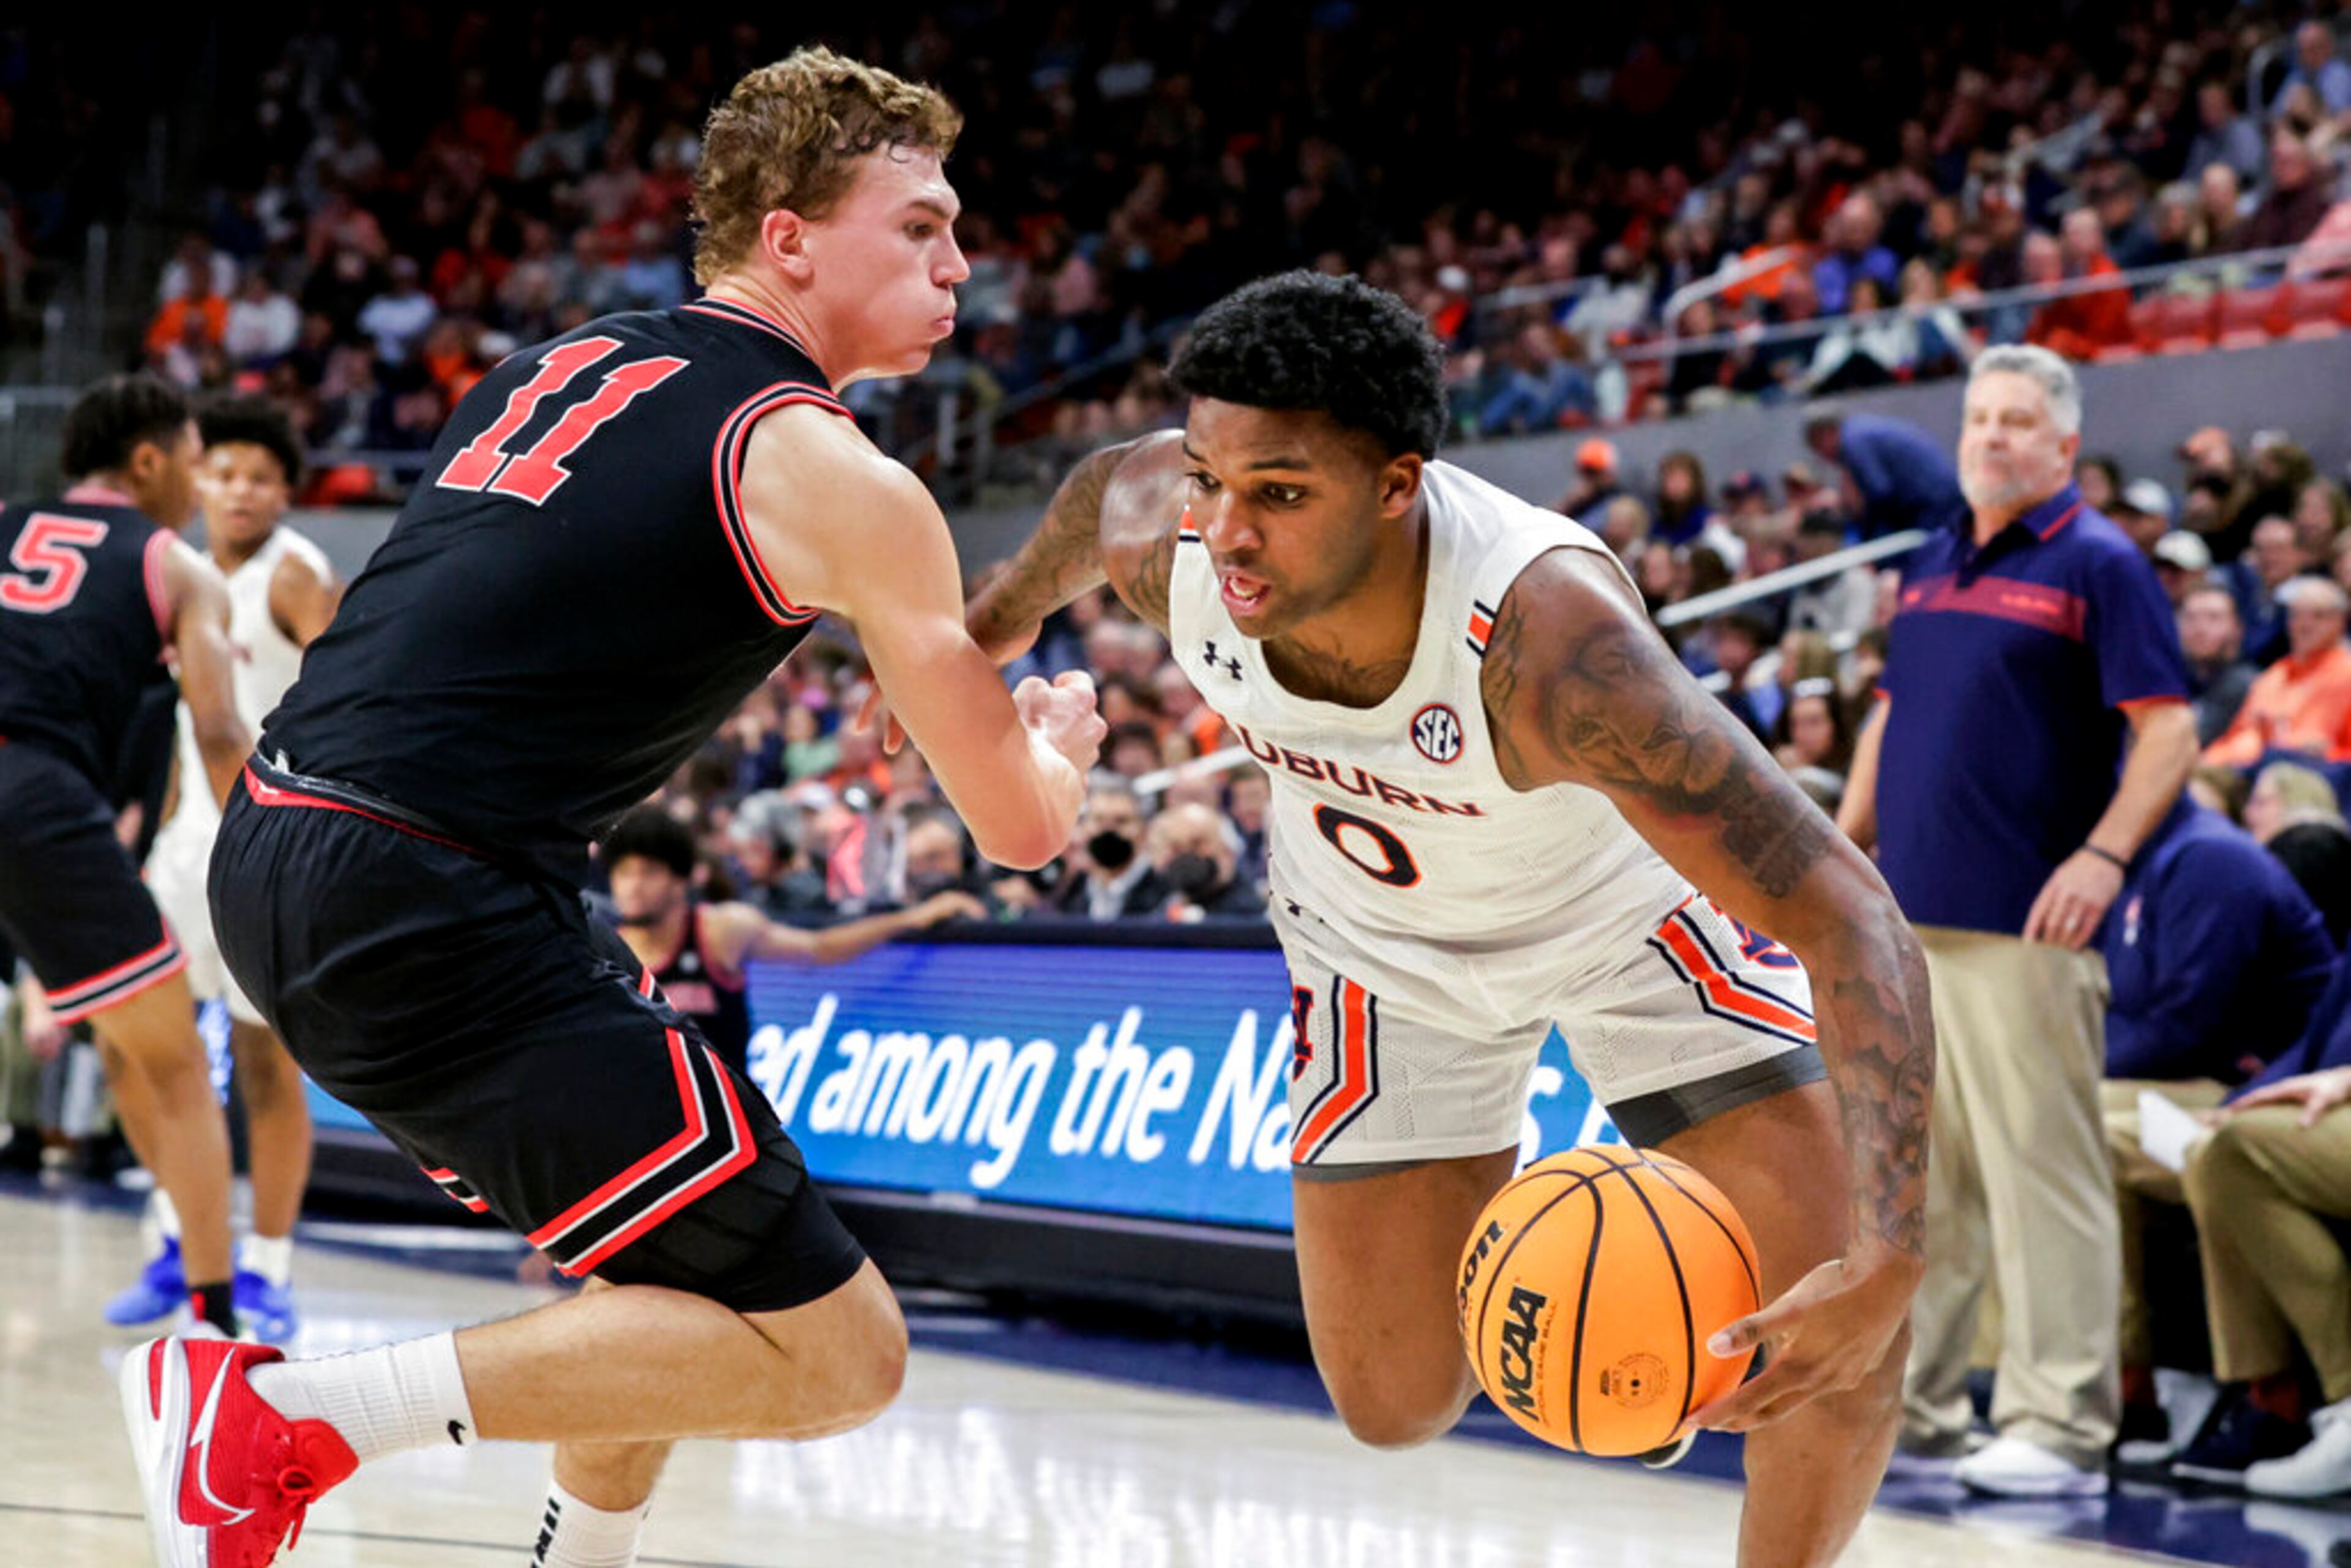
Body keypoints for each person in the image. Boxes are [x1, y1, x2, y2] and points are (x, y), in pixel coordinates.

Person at [124, 50, 1104, 1568]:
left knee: (671, 1270)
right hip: (426, 888)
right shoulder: (828, 465)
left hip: (297, 844)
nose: (958, 263)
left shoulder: (567, 359)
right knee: (842, 1350)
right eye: (920, 225)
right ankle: (276, 1415)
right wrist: (1060, 750)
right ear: (790, 238)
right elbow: (1022, 830)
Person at [963, 271, 1935, 1567]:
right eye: (1209, 479)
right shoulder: (1174, 539)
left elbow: (1857, 920)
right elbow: (1096, 500)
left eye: (1279, 494)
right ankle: (1608, 1257)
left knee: (1841, 1337)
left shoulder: (1551, 641)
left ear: (1396, 486)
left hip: (1624, 935)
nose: (1228, 530)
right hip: (1375, 954)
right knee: (1395, 1400)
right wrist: (991, 624)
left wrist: (1894, 1253)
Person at [1840, 345, 2198, 1496]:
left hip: (2029, 926)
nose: (1992, 435)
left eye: (2017, 421)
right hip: (1912, 919)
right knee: (1926, 1186)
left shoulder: (2100, 562)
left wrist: (2103, 855)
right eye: (1979, 418)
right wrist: (1842, 845)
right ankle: (1924, 1407)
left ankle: (2061, 1422)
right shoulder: (1932, 560)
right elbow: (1891, 713)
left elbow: (2169, 730)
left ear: (2065, 447)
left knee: (2045, 1176)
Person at [0, 374, 251, 1338]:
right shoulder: (177, 567)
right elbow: (218, 730)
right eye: (192, 461)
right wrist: (266, 842)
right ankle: (217, 1320)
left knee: (119, 1036)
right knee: (177, 1063)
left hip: (41, 798)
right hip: (35, 795)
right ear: (148, 461)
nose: (198, 485)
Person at [113, 396, 341, 1346]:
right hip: (184, 845)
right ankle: (178, 1232)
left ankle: (270, 1266)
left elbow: (345, 698)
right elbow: (185, 717)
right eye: (226, 473)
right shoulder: (183, 572)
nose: (240, 491)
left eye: (261, 477)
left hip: (266, 846)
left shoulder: (297, 574)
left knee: (264, 1062)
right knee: (135, 1043)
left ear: (285, 492)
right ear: (198, 479)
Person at [602, 806, 981, 1076]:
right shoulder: (605, 951)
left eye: (648, 872)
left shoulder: (721, 930)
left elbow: (820, 949)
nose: (633, 886)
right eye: (624, 874)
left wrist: (911, 918)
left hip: (729, 1120)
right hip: (649, 1124)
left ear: (680, 879)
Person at [2203, 577, 2351, 768]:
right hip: (2246, 769)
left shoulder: (2346, 674)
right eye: (2296, 615)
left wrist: (2324, 754)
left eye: (2319, 616)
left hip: (2315, 775)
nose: (2304, 625)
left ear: (2341, 622)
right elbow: (2239, 735)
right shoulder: (2273, 675)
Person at [1802, 407, 1967, 542]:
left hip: (1932, 503)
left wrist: (1866, 533)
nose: (1825, 459)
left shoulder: (1852, 441)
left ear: (1825, 434)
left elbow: (1879, 492)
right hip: (1939, 495)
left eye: (1819, 450)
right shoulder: (1860, 429)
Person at [2177, 582, 2256, 748]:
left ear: (2237, 628)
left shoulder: (2250, 685)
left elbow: (2192, 741)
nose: (2200, 629)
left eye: (2214, 618)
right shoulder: (2173, 679)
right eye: (2190, 618)